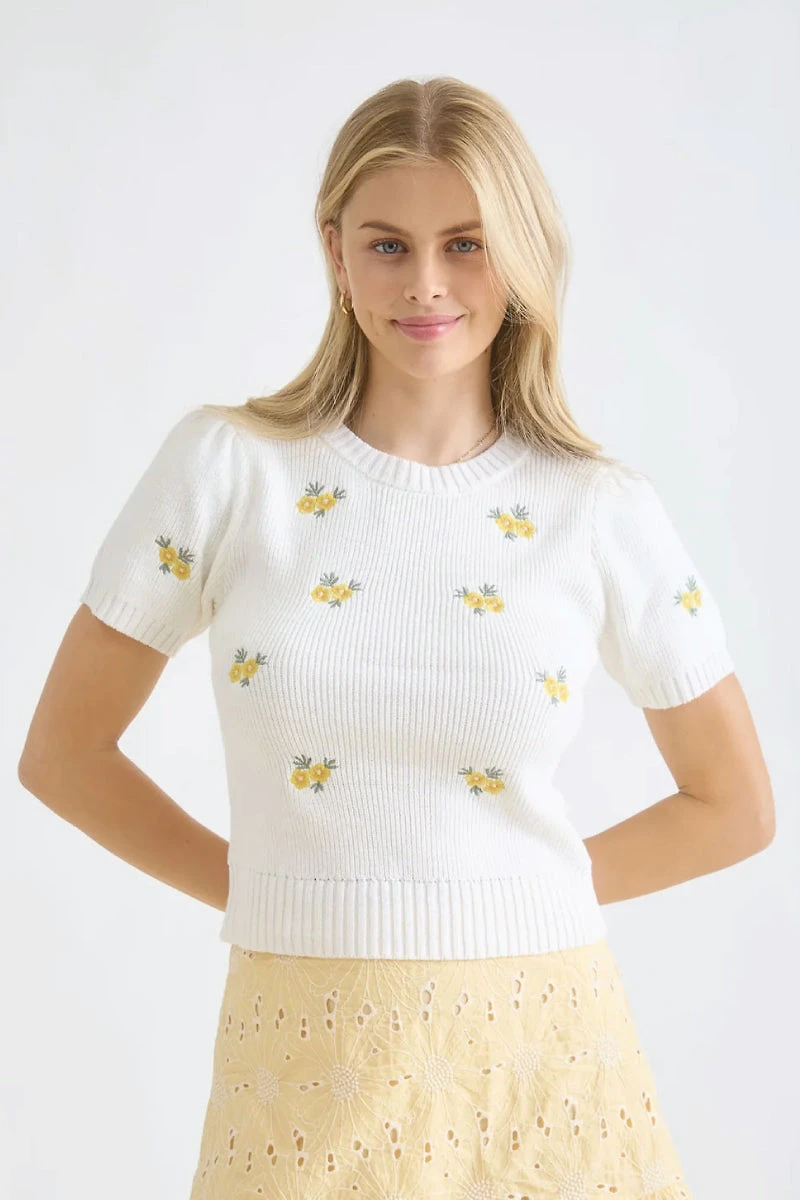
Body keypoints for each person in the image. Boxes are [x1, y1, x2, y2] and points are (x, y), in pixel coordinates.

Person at [18, 75, 774, 1198]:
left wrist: (515, 890)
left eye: (466, 244)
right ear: (335, 252)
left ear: (519, 255)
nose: (426, 282)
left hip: (544, 1054)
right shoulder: (229, 469)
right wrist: (269, 888)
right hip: (301, 1047)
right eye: (387, 245)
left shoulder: (598, 509)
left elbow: (736, 806)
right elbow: (63, 755)